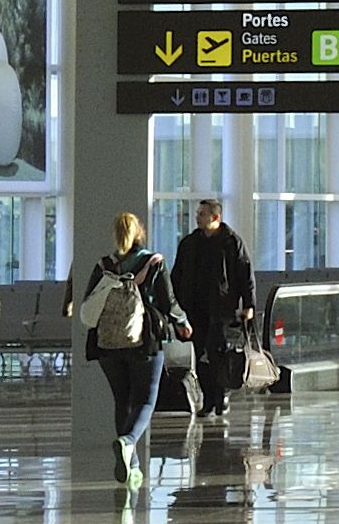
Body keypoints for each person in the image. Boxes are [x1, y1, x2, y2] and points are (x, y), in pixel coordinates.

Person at [74, 212, 181, 495]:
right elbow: (168, 302)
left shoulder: (104, 266)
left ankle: (131, 466)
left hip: (108, 344)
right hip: (142, 342)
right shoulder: (154, 262)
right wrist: (183, 323)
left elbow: (89, 303)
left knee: (122, 399)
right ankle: (128, 441)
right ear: (139, 234)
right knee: (146, 399)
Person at [170, 201, 257, 428]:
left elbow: (244, 274)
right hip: (194, 308)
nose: (197, 218)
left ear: (215, 217)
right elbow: (177, 275)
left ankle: (220, 396)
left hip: (222, 309)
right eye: (198, 214)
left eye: (202, 214)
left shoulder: (231, 242)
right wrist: (174, 308)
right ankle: (210, 399)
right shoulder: (190, 243)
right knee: (200, 355)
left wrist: (249, 304)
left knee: (217, 352)